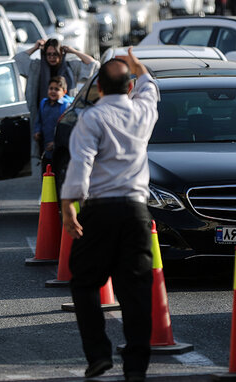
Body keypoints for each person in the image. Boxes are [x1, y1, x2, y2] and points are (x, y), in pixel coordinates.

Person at [60, 47, 159, 381]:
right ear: (128, 87)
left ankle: (99, 354)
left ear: (98, 88)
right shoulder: (142, 112)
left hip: (99, 211)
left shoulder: (92, 118)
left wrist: (68, 206)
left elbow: (81, 163)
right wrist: (137, 65)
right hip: (136, 212)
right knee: (135, 290)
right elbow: (151, 89)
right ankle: (136, 366)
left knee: (84, 283)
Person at [13, 38, 99, 157]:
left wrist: (73, 51)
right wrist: (35, 48)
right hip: (45, 122)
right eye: (48, 54)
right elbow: (17, 60)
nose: (52, 57)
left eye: (55, 54)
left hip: (66, 118)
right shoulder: (37, 67)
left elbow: (93, 64)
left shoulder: (70, 67)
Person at [33, 76, 73, 168]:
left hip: (61, 149)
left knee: (59, 173)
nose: (53, 91)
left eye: (57, 89)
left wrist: (56, 143)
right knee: (47, 175)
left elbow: (67, 130)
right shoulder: (44, 103)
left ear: (64, 92)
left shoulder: (65, 106)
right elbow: (39, 121)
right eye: (51, 88)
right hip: (46, 148)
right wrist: (37, 131)